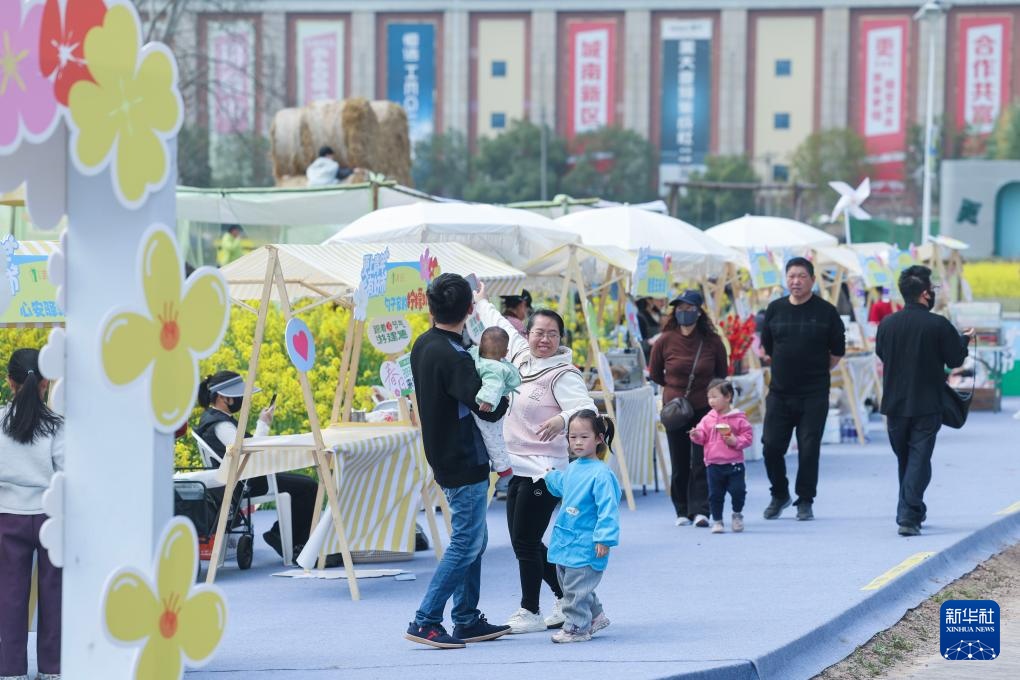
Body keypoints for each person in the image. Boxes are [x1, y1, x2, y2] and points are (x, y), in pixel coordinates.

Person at [474, 281, 596, 634]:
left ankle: (530, 610)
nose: (545, 340)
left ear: (561, 339)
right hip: (517, 465)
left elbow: (586, 407)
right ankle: (565, 597)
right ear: (527, 333)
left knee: (525, 541)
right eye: (539, 332)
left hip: (546, 470)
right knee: (520, 540)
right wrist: (481, 301)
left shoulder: (563, 373)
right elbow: (497, 322)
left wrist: (563, 418)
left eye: (552, 335)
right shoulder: (520, 356)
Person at [404, 273, 511, 649]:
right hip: (463, 458)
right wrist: (504, 388)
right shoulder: (456, 357)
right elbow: (488, 408)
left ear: (430, 306)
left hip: (443, 454)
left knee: (474, 539)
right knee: (467, 542)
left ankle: (466, 617)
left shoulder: (424, 345)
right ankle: (426, 619)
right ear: (468, 308)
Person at [876, 265, 972, 536]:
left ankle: (913, 509)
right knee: (919, 457)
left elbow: (882, 354)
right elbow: (954, 359)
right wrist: (964, 339)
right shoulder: (938, 325)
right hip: (927, 402)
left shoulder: (887, 324)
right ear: (925, 294)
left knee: (905, 458)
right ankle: (908, 515)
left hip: (895, 403)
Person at [194, 372, 321, 561]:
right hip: (246, 483)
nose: (242, 399)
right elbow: (249, 454)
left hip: (244, 478)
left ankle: (282, 535)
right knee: (309, 487)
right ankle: (291, 542)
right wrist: (263, 424)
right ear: (222, 397)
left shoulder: (213, 418)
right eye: (237, 395)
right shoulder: (222, 425)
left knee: (305, 484)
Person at [760, 257, 846, 521]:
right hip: (780, 393)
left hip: (814, 393)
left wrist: (815, 371)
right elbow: (769, 348)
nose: (796, 281)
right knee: (771, 447)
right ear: (786, 280)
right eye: (791, 276)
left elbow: (836, 352)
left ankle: (805, 500)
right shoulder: (774, 309)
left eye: (801, 276)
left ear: (812, 279)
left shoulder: (826, 312)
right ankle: (780, 493)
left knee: (809, 448)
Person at [0, 349, 63, 680]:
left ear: (9, 382)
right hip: (50, 518)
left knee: (10, 596)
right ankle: (52, 669)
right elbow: (67, 472)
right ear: (46, 383)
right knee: (53, 593)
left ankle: (11, 671)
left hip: (7, 517)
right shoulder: (57, 425)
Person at [648, 289, 728, 528]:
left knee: (702, 459)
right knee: (679, 460)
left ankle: (701, 509)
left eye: (689, 309)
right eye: (679, 309)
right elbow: (655, 373)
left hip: (705, 407)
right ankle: (681, 509)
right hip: (675, 409)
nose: (684, 313)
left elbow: (721, 374)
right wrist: (675, 390)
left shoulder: (712, 341)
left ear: (698, 311)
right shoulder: (665, 340)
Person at [542, 411, 620, 643]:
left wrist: (604, 538)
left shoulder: (602, 474)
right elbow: (565, 487)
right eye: (572, 437)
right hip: (568, 539)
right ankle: (596, 616)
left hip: (587, 542)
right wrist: (550, 477)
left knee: (577, 586)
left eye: (584, 437)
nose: (577, 442)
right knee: (572, 584)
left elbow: (608, 508)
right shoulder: (575, 466)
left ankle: (577, 627)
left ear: (599, 438)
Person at [689, 379, 753, 534]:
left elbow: (748, 437)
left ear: (728, 397)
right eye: (709, 397)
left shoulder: (738, 418)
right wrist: (696, 435)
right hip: (713, 464)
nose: (711, 401)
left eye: (715, 397)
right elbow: (702, 436)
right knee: (715, 494)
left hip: (734, 464)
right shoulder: (707, 419)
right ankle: (717, 520)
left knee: (738, 491)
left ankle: (737, 514)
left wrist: (735, 441)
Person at [470, 326, 521, 478]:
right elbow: (493, 385)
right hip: (486, 406)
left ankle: (500, 464)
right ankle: (503, 466)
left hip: (481, 402)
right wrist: (488, 401)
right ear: (505, 352)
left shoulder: (476, 357)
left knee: (493, 436)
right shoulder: (496, 368)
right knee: (494, 437)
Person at [635, 297, 661, 361]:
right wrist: (651, 341)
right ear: (648, 300)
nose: (663, 302)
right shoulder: (639, 318)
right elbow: (636, 345)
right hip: (648, 360)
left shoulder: (660, 315)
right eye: (659, 299)